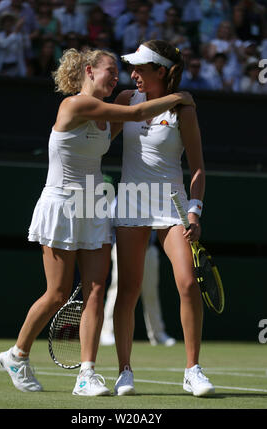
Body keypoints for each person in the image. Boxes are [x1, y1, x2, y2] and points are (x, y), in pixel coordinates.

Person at [0, 47, 195, 396]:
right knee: (57, 293)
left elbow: (138, 124)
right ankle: (17, 353)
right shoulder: (75, 105)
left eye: (119, 72)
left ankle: (86, 374)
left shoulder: (107, 116)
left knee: (97, 290)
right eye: (110, 70)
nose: (117, 77)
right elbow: (137, 113)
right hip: (61, 202)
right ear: (89, 71)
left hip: (95, 203)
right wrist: (180, 96)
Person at [110, 40, 215, 397]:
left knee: (187, 284)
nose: (133, 74)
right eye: (132, 68)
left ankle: (192, 369)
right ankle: (124, 371)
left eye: (141, 68)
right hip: (130, 205)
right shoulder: (125, 100)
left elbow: (198, 168)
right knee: (128, 290)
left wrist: (194, 211)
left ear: (162, 72)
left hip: (171, 205)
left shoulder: (185, 110)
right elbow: (100, 138)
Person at [100, 231, 176, 347]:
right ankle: (107, 332)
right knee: (117, 290)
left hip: (149, 249)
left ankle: (157, 334)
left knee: (151, 294)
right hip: (123, 247)